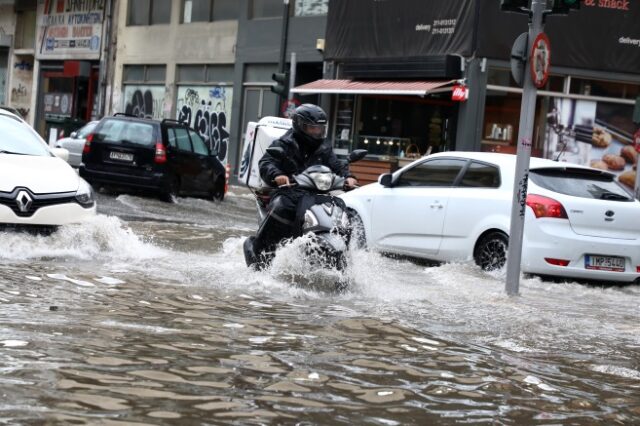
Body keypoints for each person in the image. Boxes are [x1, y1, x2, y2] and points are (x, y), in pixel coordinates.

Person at [249, 103, 358, 262]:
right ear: (299, 126)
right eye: (311, 128)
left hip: (316, 194)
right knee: (282, 206)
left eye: (319, 128)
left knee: (343, 209)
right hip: (289, 191)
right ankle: (260, 251)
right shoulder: (284, 144)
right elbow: (266, 162)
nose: (316, 132)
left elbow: (337, 165)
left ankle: (346, 256)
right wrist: (277, 175)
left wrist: (348, 176)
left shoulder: (324, 147)